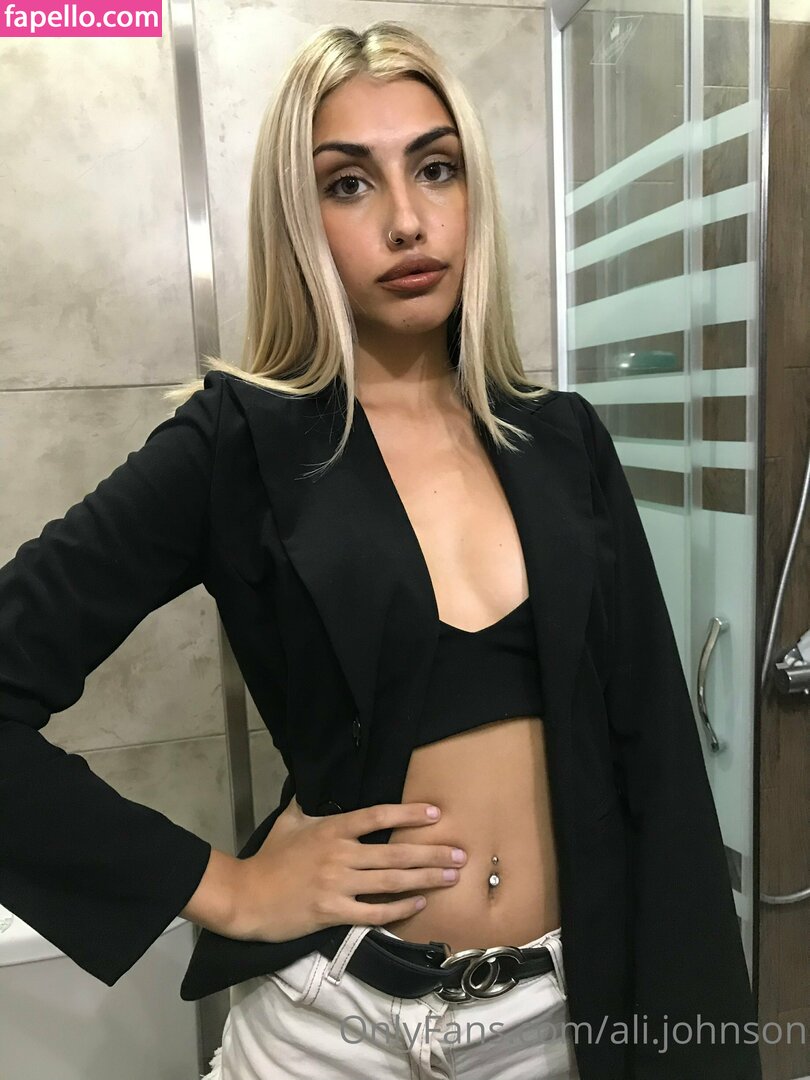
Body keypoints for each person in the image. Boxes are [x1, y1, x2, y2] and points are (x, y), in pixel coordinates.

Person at [0, 21, 762, 1080]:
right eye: (349, 183)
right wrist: (227, 887)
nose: (407, 219)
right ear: (298, 216)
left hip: (555, 1024)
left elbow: (657, 759)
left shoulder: (561, 440)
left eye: (436, 168)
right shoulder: (239, 442)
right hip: (333, 1029)